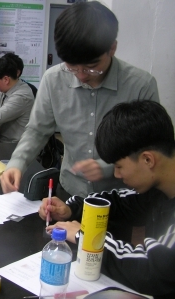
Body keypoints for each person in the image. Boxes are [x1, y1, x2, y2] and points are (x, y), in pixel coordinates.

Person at [0, 1, 159, 199]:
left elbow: (152, 149)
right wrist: (17, 163)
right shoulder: (54, 79)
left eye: (92, 67)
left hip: (121, 198)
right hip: (69, 191)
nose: (82, 75)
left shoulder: (140, 85)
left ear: (112, 48)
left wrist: (108, 167)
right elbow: (37, 130)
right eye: (72, 67)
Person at [40, 100, 175, 298]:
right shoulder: (159, 188)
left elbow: (155, 271)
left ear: (148, 159)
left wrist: (83, 237)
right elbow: (120, 202)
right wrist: (71, 209)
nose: (117, 175)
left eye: (119, 166)